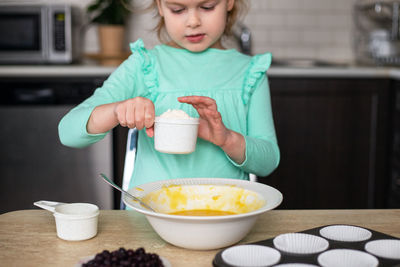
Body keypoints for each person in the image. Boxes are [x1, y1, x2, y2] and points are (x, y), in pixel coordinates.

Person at [58, 0, 280, 191]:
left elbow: (268, 161)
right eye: (178, 9)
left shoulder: (250, 71)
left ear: (229, 2)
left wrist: (227, 139)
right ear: (160, 6)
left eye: (207, 6)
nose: (193, 21)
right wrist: (117, 110)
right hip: (148, 220)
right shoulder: (144, 66)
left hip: (223, 218)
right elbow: (68, 131)